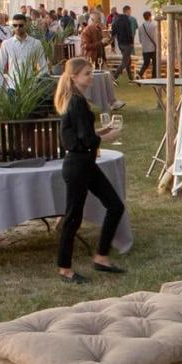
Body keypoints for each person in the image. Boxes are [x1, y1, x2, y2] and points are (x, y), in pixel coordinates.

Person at [53, 58, 125, 284]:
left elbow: (82, 133)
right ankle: (65, 269)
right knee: (73, 218)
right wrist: (107, 137)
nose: (91, 76)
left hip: (85, 164)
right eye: (87, 73)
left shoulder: (77, 99)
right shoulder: (76, 101)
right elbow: (85, 140)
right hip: (78, 165)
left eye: (91, 72)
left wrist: (102, 131)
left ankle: (101, 257)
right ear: (74, 77)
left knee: (115, 206)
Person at [0, 14, 46, 90]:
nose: (17, 28)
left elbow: (43, 65)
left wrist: (40, 83)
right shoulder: (6, 44)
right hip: (12, 87)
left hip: (31, 87)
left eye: (21, 25)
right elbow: (0, 66)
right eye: (15, 25)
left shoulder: (36, 43)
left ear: (26, 25)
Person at [111, 5, 137, 80]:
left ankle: (130, 78)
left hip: (120, 44)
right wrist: (131, 42)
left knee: (128, 60)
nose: (130, 13)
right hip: (127, 44)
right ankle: (114, 76)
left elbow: (113, 32)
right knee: (125, 61)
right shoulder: (127, 20)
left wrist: (113, 44)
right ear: (127, 11)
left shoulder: (117, 19)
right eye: (130, 11)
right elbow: (129, 32)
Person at [138, 10, 160, 78]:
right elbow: (156, 36)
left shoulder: (140, 26)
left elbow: (140, 39)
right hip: (153, 48)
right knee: (155, 64)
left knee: (146, 63)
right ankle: (154, 77)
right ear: (150, 17)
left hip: (145, 48)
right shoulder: (154, 25)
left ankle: (140, 74)